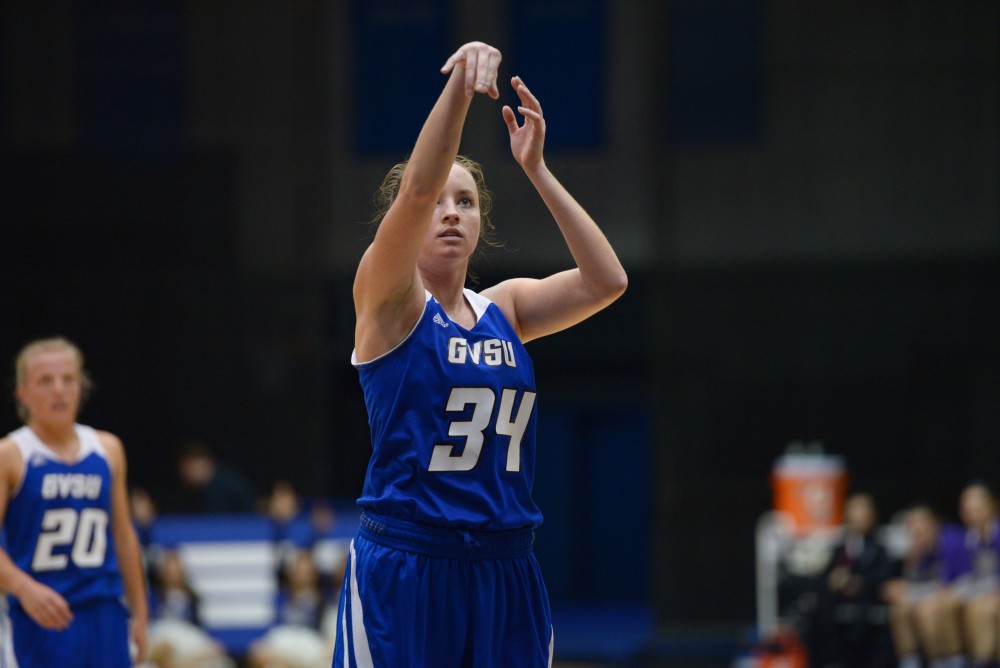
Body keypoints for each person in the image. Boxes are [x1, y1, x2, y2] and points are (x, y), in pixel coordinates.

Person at [333, 40, 627, 666]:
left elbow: (608, 282)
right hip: (410, 560)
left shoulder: (507, 309)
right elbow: (415, 191)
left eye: (464, 202)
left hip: (505, 563)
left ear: (480, 221)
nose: (449, 213)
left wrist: (538, 170)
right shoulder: (387, 302)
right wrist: (461, 91)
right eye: (440, 201)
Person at [0, 336, 148, 665]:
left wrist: (139, 612)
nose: (58, 390)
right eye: (45, 381)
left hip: (104, 612)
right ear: (22, 393)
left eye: (68, 380)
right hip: (43, 614)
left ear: (81, 387)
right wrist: (24, 588)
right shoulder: (11, 455)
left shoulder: (107, 449)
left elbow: (123, 536)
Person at [811, 492, 894, 668]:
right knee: (817, 606)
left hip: (868, 601)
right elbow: (823, 577)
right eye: (853, 511)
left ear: (872, 516)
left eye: (863, 510)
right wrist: (833, 580)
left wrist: (859, 583)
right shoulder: (840, 547)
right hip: (838, 602)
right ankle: (829, 660)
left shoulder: (881, 546)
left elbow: (885, 577)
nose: (858, 516)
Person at [883, 504, 952, 668]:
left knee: (926, 611)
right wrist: (902, 586)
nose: (916, 527)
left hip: (963, 592)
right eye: (911, 523)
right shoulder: (914, 550)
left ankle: (942, 662)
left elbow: (946, 585)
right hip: (929, 595)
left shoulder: (948, 541)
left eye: (921, 521)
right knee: (899, 609)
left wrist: (910, 590)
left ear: (934, 523)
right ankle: (910, 663)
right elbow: (915, 581)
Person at [172, 439, 257, 514]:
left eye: (194, 467)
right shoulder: (184, 491)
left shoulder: (232, 486)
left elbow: (250, 515)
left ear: (209, 464)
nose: (189, 472)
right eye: (186, 468)